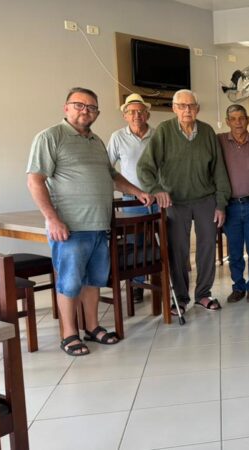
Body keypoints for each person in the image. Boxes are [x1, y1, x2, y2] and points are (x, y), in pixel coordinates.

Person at [26, 87, 153, 356]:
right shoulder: (50, 137)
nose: (86, 111)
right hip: (70, 228)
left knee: (93, 281)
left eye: (92, 107)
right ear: (66, 108)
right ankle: (69, 334)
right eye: (79, 105)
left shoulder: (96, 141)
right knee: (70, 282)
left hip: (99, 225)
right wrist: (52, 219)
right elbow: (35, 180)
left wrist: (138, 192)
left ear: (97, 113)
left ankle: (92, 327)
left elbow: (112, 176)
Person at [137, 89, 231, 315]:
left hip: (205, 199)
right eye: (182, 106)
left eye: (191, 106)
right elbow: (144, 168)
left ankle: (203, 294)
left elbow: (219, 170)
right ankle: (180, 298)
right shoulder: (164, 131)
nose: (187, 110)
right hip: (175, 202)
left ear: (197, 108)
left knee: (207, 247)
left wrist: (221, 203)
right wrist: (157, 190)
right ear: (174, 108)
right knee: (178, 251)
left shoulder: (207, 132)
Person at [107, 93, 156, 304]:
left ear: (147, 114)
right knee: (134, 242)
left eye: (140, 111)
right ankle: (136, 285)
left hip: (157, 197)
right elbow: (107, 168)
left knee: (165, 239)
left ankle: (164, 280)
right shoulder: (117, 137)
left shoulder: (158, 135)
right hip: (132, 199)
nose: (136, 115)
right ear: (125, 116)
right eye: (132, 112)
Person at [217, 104, 249, 303]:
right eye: (233, 119)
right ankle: (238, 287)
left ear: (248, 120)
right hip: (231, 206)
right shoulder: (219, 141)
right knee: (235, 251)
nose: (238, 122)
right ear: (227, 122)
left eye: (242, 118)